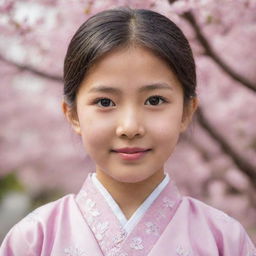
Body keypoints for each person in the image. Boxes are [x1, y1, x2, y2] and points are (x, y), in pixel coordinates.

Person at [0, 7, 255, 256]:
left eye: (154, 100)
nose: (130, 127)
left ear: (187, 111)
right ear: (73, 114)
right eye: (105, 102)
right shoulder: (34, 239)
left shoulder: (224, 239)